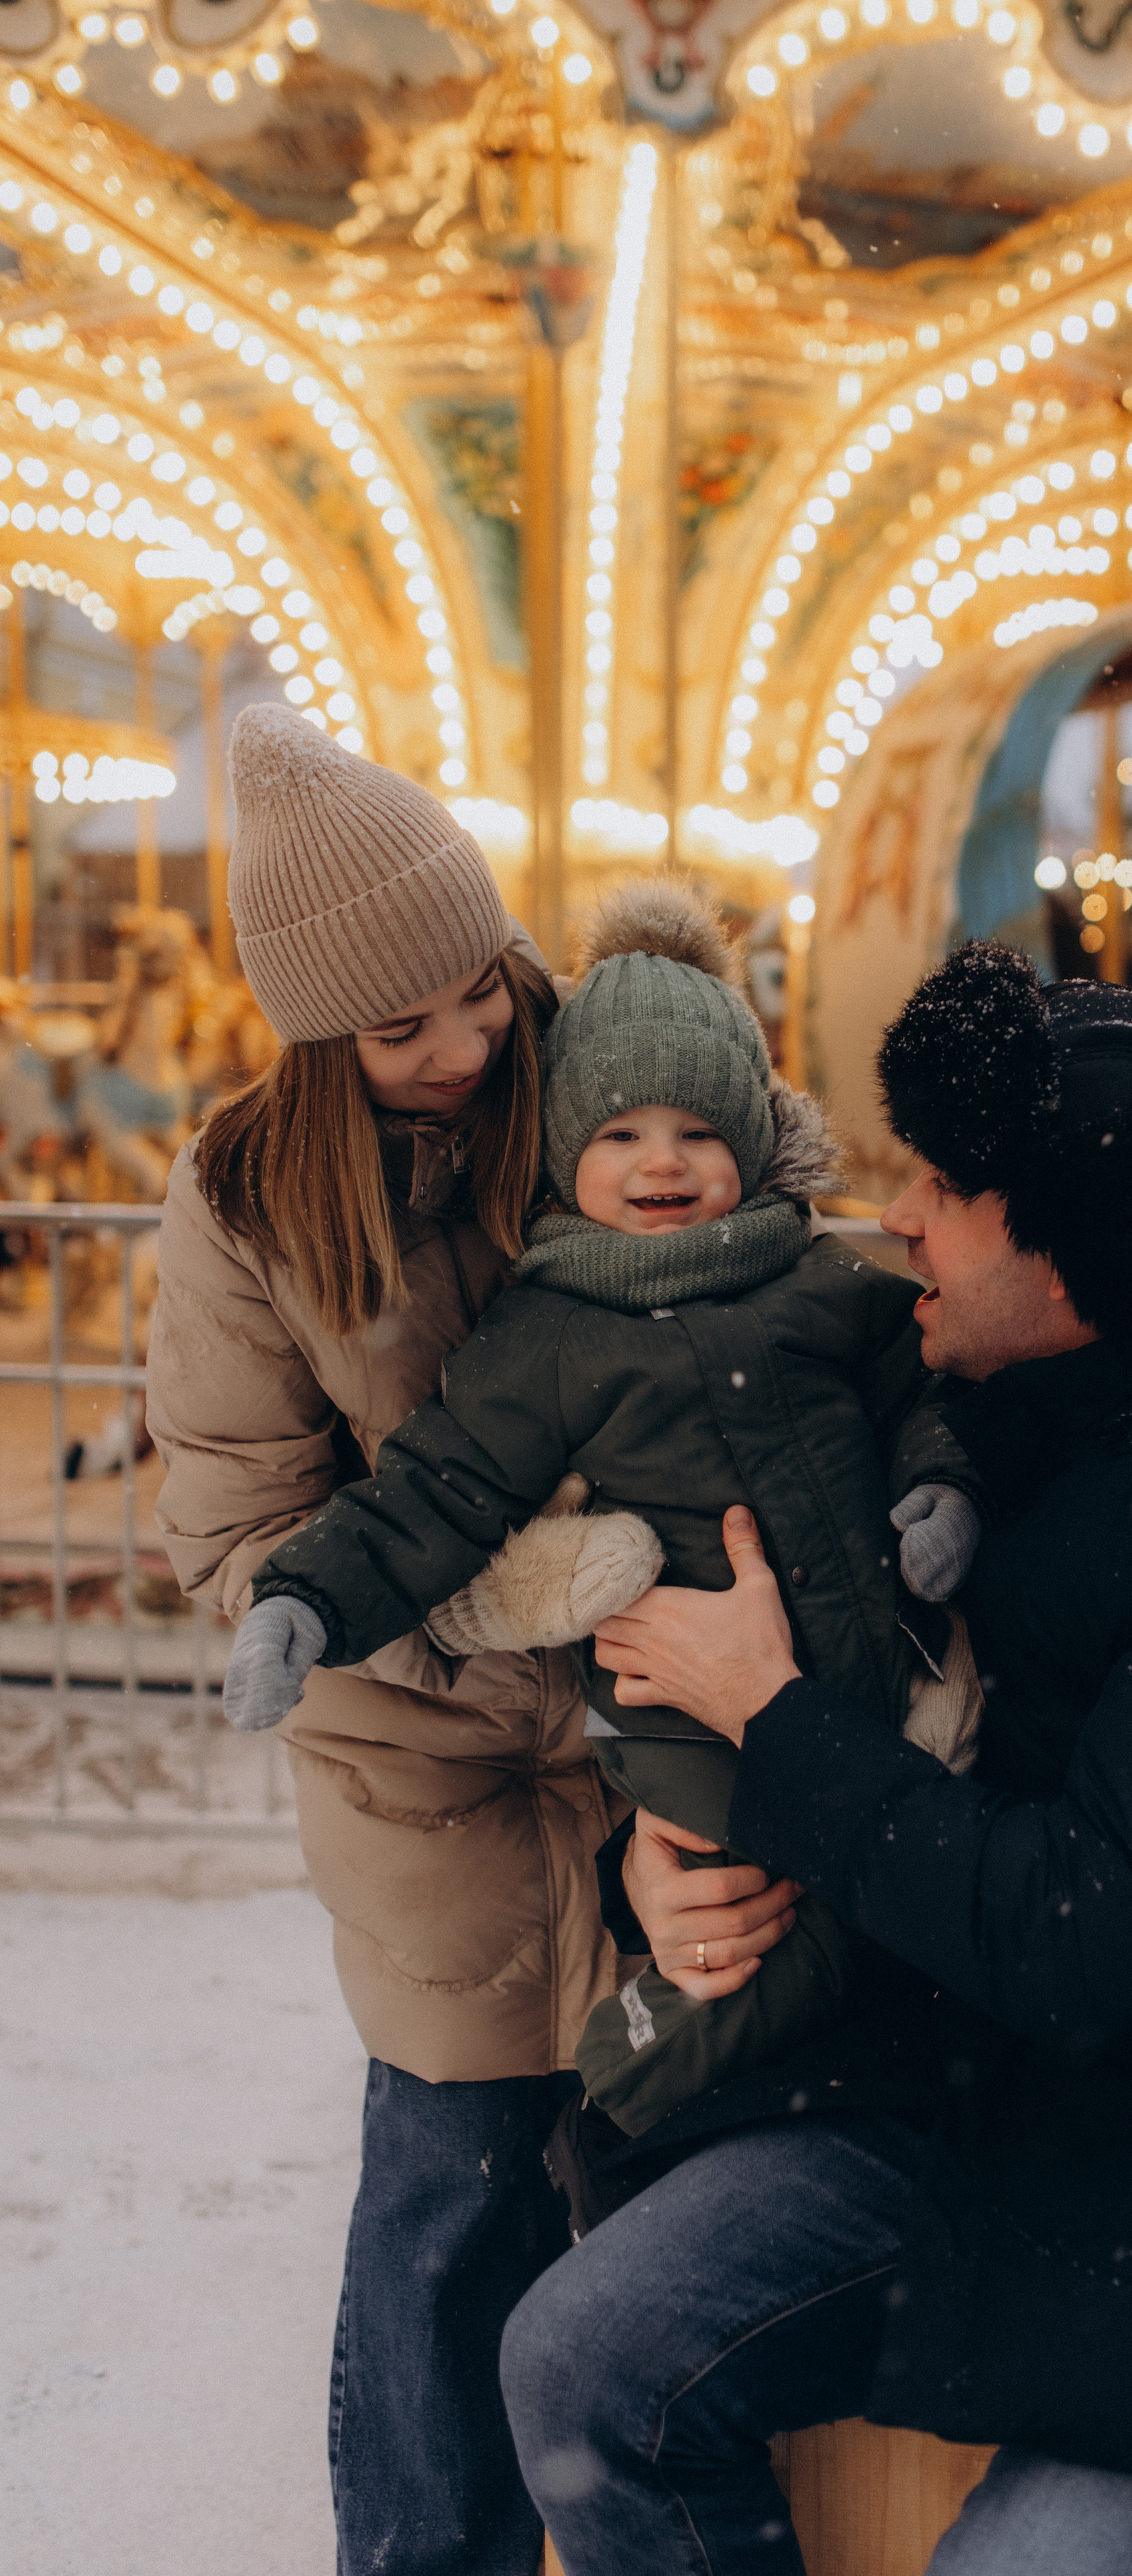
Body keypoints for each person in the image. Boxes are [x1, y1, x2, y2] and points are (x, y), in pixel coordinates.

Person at [494, 947, 1132, 2575]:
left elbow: (1080, 1931)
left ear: (1068, 1257)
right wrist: (671, 1855)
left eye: (946, 1187)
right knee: (579, 2361)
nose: (900, 1216)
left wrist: (774, 1725)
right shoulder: (989, 1403)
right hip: (984, 2074)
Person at [221, 880, 985, 2137]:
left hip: (874, 1668)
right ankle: (622, 2115)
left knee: (891, 1908)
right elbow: (442, 1488)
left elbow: (916, 1388)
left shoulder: (819, 1278)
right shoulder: (550, 1333)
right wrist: (307, 1597)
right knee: (761, 1936)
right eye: (621, 1133)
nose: (662, 1162)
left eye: (696, 1127)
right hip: (684, 1712)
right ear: (572, 1150)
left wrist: (937, 1486)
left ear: (749, 1131)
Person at [146, 705, 622, 2576]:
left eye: (480, 996)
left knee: (671, 2203)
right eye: (404, 1027)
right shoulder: (249, 1197)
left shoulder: (596, 1077)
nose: (461, 1050)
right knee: (454, 2195)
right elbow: (243, 1528)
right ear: (320, 1032)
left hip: (667, 1736)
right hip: (424, 1772)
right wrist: (502, 1645)